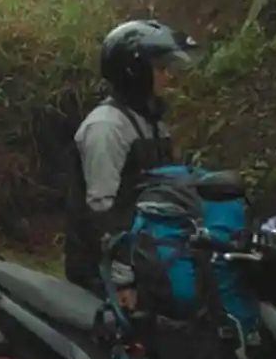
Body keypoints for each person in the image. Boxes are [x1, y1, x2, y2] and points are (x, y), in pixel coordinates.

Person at [64, 20, 197, 292]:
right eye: (160, 68)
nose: (169, 76)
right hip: (104, 270)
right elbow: (101, 213)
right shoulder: (107, 128)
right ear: (134, 72)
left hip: (148, 256)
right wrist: (122, 280)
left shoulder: (153, 123)